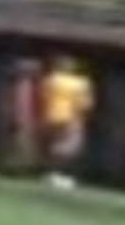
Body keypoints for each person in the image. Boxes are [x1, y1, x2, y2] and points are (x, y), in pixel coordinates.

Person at [40, 56, 93, 188]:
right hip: (71, 117)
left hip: (52, 115)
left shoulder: (51, 80)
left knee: (54, 144)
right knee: (71, 147)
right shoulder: (80, 83)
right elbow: (84, 104)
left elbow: (43, 96)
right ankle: (62, 175)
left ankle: (52, 173)